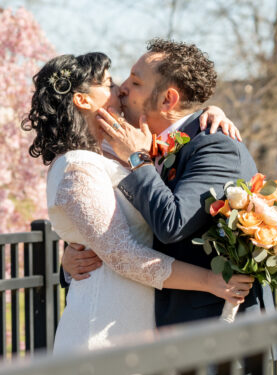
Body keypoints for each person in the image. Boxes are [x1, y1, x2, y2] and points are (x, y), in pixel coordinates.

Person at [22, 52, 255, 356]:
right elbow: (118, 249)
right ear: (81, 100)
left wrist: (207, 111)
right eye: (110, 82)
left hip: (148, 325)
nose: (120, 89)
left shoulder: (123, 151)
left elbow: (142, 218)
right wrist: (212, 281)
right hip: (106, 323)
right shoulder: (79, 164)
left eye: (132, 81)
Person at [62, 39, 274, 327]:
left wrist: (138, 160)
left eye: (135, 82)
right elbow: (113, 226)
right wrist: (70, 261)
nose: (122, 88)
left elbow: (172, 224)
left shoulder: (215, 146)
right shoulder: (135, 147)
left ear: (167, 100)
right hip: (146, 324)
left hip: (216, 334)